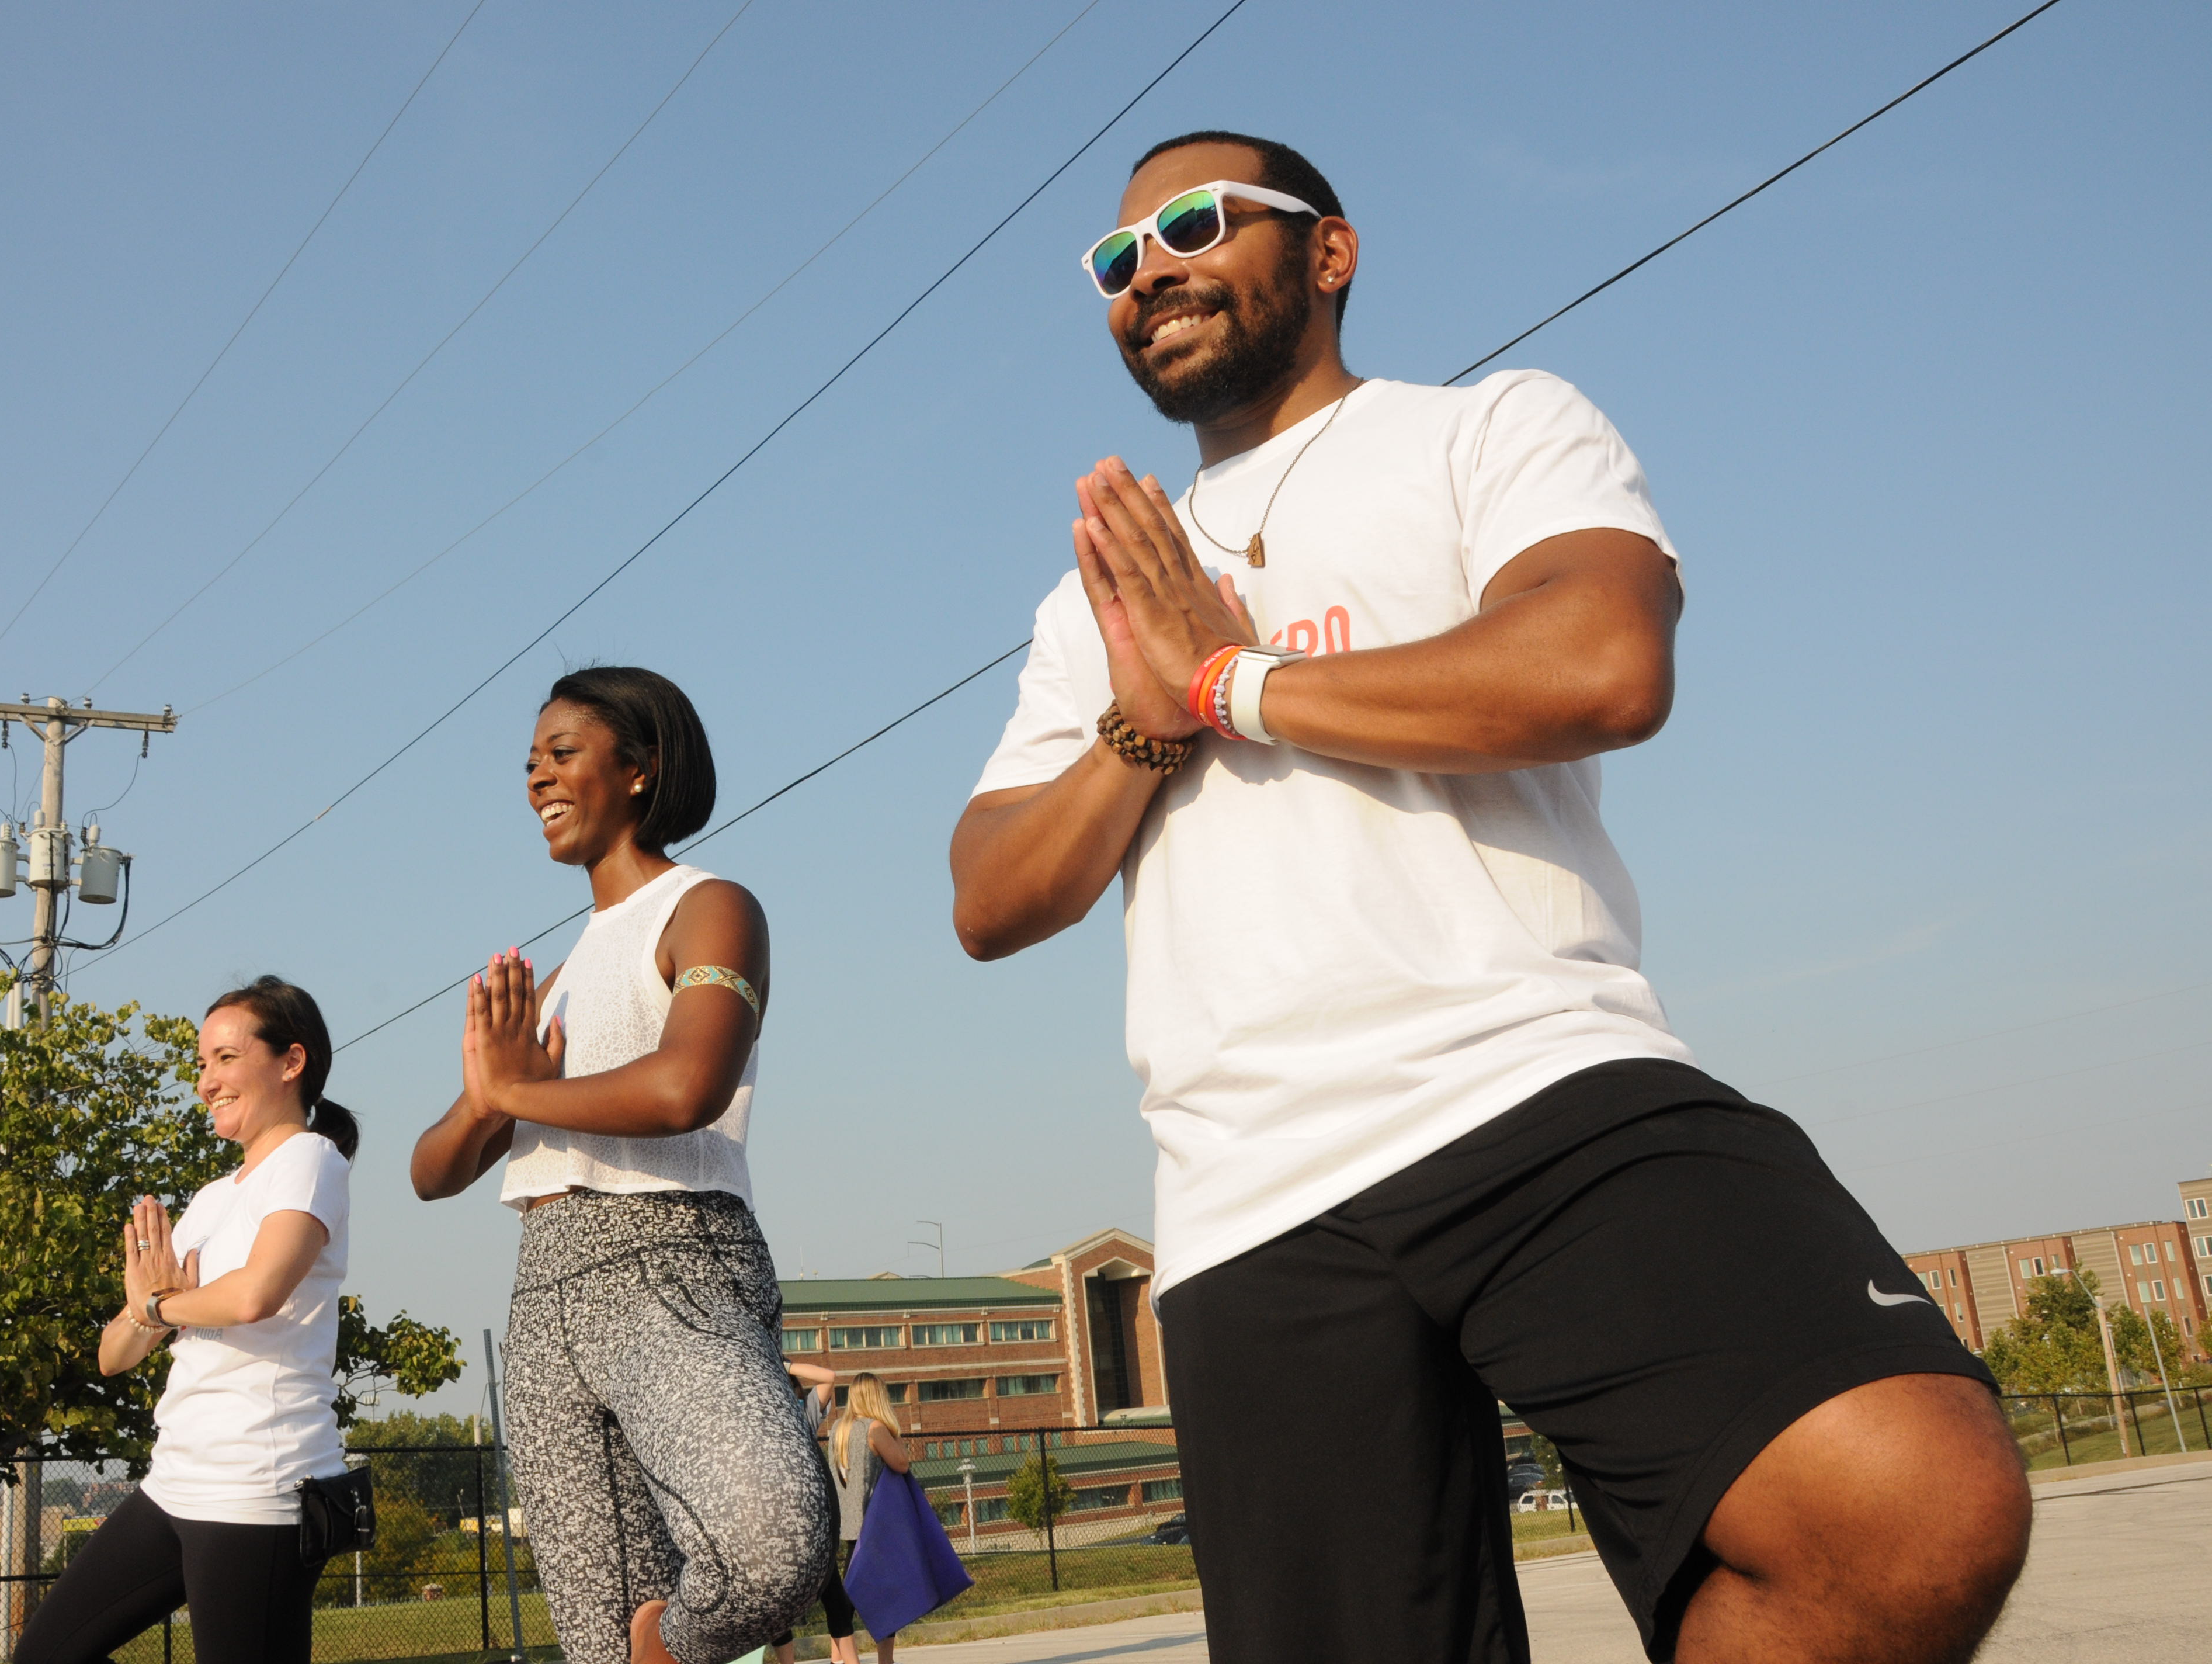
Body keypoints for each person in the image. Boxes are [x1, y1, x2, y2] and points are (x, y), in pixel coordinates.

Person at [949, 130, 2031, 1664]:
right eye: (1115, 262)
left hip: (1538, 1080)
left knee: (1909, 1506)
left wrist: (1232, 677)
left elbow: (1599, 660)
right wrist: (1144, 717)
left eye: (1193, 225)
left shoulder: (1489, 431)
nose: (1149, 274)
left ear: (1330, 252)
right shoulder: (1093, 595)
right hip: (1249, 1194)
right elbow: (992, 893)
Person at [410, 665, 832, 1664]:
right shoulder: (550, 980)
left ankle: (670, 1645)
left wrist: (516, 1094)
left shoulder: (709, 906)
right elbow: (432, 1170)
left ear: (639, 769)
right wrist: (487, 1094)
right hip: (542, 1295)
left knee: (774, 1544)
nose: (537, 777)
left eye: (562, 753)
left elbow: (685, 1083)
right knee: (593, 1640)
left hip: (668, 1259)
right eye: (529, 762)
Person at [17, 976, 356, 1664]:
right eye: (202, 1064)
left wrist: (158, 1307)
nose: (207, 1080)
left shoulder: (311, 1159)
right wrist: (149, 1312)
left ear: (292, 1062)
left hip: (257, 1488)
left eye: (226, 1058)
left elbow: (253, 1294)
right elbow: (115, 1352)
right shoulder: (207, 1199)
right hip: (174, 1480)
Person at [825, 1374, 912, 1664]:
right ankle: (885, 1660)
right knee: (885, 1596)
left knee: (848, 1595)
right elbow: (902, 1462)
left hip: (847, 1525)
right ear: (878, 1398)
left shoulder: (838, 1428)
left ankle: (838, 1656)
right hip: (875, 1526)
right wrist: (894, 1430)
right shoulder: (875, 1429)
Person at [783, 1360, 862, 1664]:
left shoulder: (801, 1413)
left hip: (811, 1516)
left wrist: (786, 1364)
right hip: (778, 1521)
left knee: (834, 1595)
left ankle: (848, 1660)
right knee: (779, 1604)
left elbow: (829, 1378)